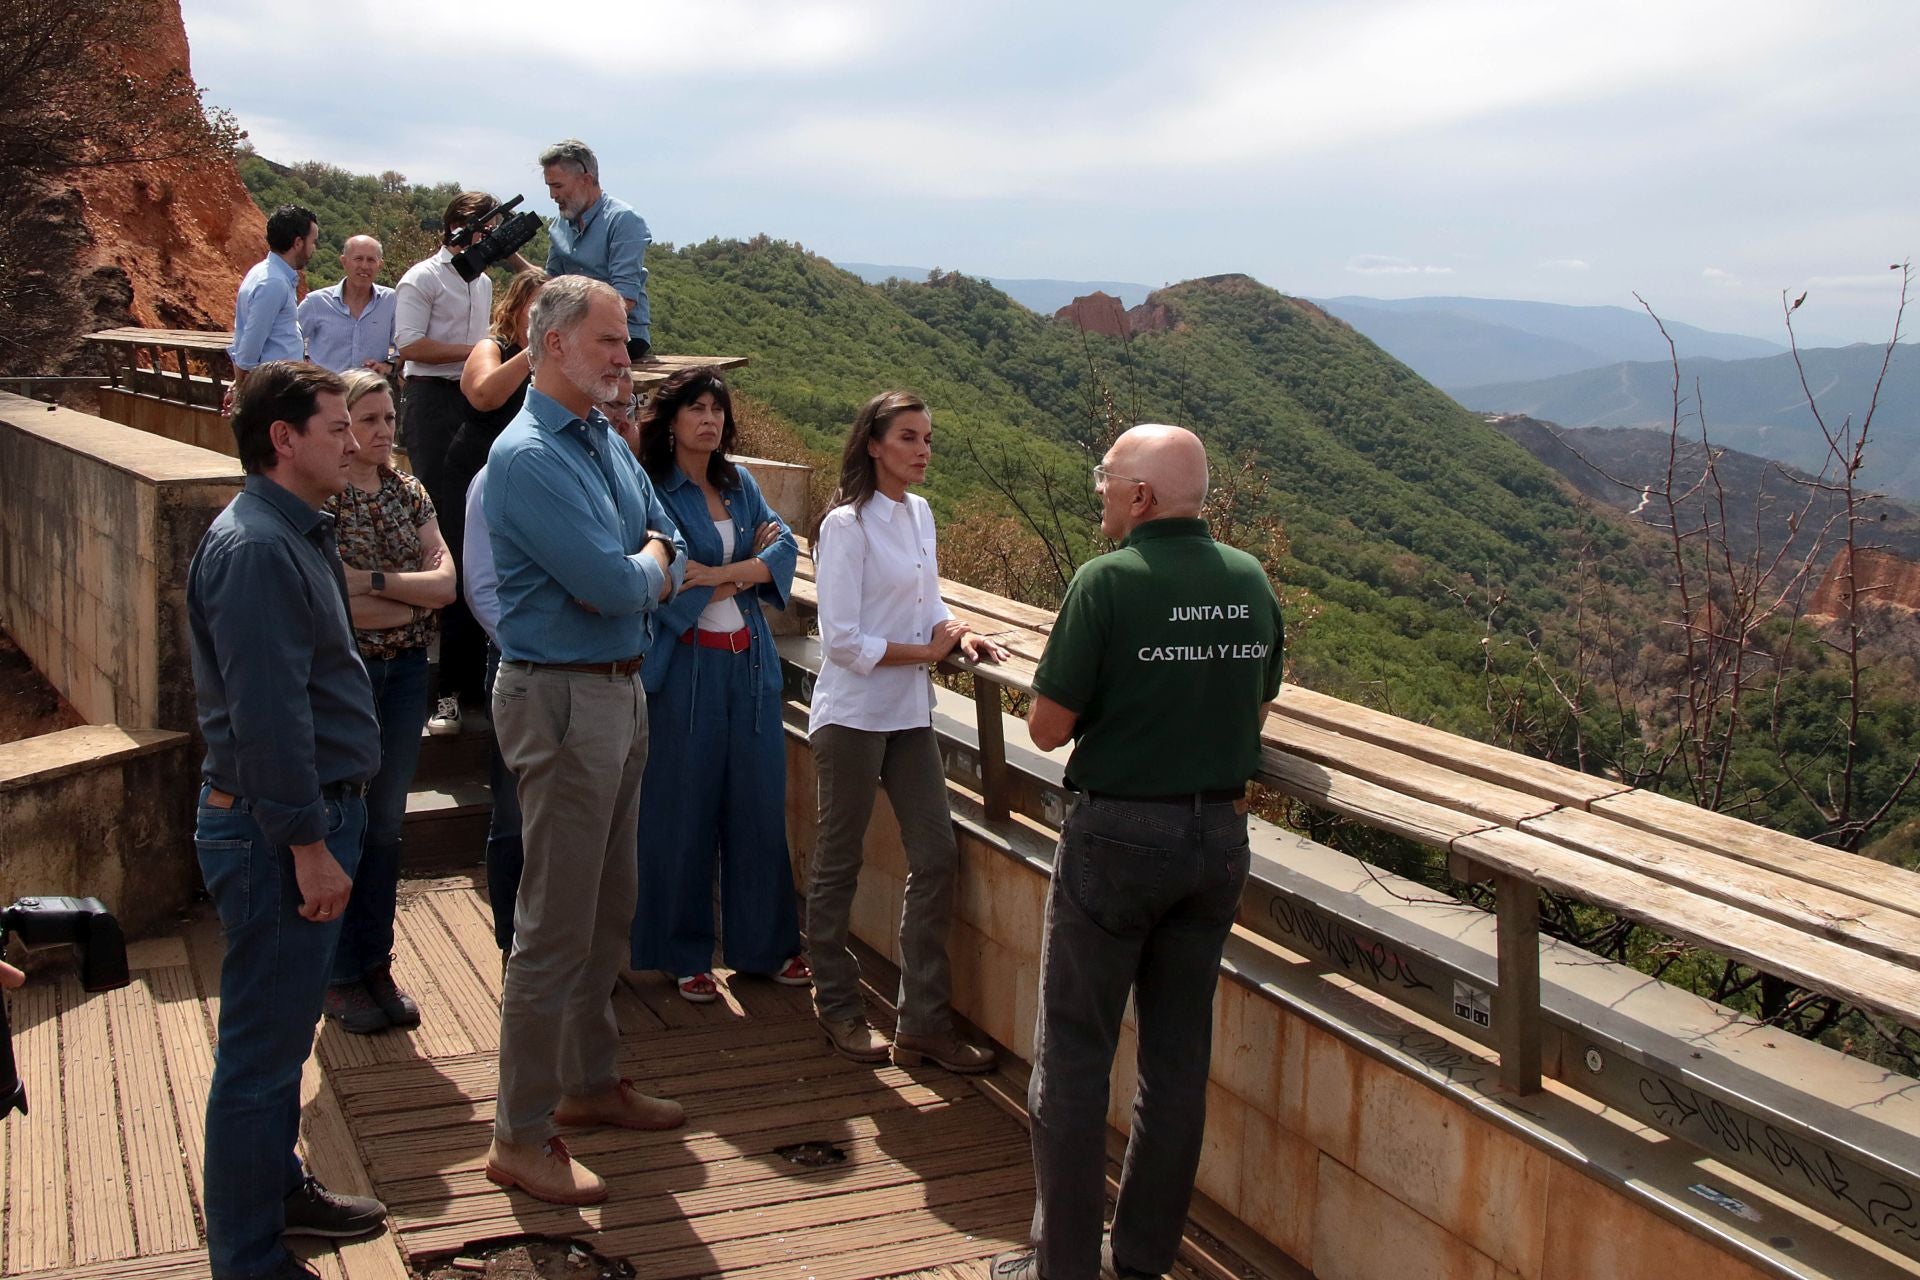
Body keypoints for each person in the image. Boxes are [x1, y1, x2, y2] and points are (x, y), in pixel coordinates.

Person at [992, 425, 1285, 1280]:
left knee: (1076, 1057)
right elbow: (1256, 702)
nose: (1101, 493)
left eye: (1107, 480)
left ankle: (1065, 1268)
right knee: (1177, 1065)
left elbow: (1048, 730)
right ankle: (1144, 1259)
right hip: (1217, 842)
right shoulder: (1249, 578)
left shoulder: (1106, 582)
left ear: (1142, 498)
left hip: (1117, 839)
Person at [483, 277, 687, 1206]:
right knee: (553, 926)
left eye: (627, 341)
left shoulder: (602, 437)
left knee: (609, 907)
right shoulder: (527, 456)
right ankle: (519, 1136)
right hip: (563, 702)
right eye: (609, 340)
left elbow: (669, 539)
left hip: (617, 689)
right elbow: (619, 579)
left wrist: (640, 564)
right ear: (554, 343)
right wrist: (641, 566)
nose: (624, 357)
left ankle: (589, 1084)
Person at [187, 361, 389, 1280]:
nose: (353, 442)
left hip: (300, 822)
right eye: (337, 425)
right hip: (282, 835)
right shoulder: (258, 548)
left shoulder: (292, 530)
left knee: (278, 1034)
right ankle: (248, 1257)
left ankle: (277, 1191)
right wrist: (310, 847)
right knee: (261, 1056)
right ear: (283, 438)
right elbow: (269, 721)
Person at [806, 390, 1005, 1071]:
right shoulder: (846, 527)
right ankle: (837, 1006)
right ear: (873, 444)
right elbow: (841, 640)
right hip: (855, 716)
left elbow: (928, 600)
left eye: (927, 439)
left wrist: (962, 632)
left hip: (909, 716)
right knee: (839, 862)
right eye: (909, 438)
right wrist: (926, 654)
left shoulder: (920, 514)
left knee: (937, 855)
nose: (923, 450)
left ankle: (922, 1022)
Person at [629, 368, 808, 1002]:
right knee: (682, 809)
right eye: (696, 409)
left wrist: (723, 575)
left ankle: (766, 947)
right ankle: (683, 954)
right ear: (671, 420)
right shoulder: (654, 490)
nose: (709, 420)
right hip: (687, 667)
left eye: (717, 410)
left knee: (759, 806)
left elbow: (783, 548)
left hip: (750, 662)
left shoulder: (739, 484)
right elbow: (669, 572)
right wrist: (738, 572)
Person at [321, 371, 457, 1034]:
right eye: (366, 419)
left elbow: (447, 585)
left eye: (387, 419)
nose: (380, 432)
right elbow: (332, 603)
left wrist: (376, 583)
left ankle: (375, 961)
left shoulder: (411, 491)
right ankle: (340, 971)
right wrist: (409, 592)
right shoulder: (328, 499)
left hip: (406, 673)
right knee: (345, 824)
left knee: (387, 825)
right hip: (350, 679)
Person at [394, 191, 506, 736]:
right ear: (459, 228)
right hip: (433, 402)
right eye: (483, 228)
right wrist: (481, 352)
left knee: (480, 525)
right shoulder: (423, 278)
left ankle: (473, 674)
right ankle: (448, 686)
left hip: (473, 401)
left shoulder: (482, 282)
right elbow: (409, 344)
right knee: (448, 527)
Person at [540, 140, 653, 359]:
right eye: (549, 187)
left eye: (558, 186)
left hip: (622, 334)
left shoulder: (623, 220)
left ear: (586, 180)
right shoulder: (559, 225)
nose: (553, 196)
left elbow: (625, 299)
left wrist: (575, 328)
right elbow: (548, 285)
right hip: (571, 332)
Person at [226, 206, 318, 401]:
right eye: (313, 241)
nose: (313, 249)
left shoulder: (264, 273)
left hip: (274, 388)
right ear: (298, 243)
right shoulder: (273, 283)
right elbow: (249, 348)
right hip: (273, 392)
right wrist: (242, 395)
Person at [297, 236, 397, 377]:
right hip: (325, 392)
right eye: (358, 259)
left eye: (371, 260)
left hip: (370, 394)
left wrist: (387, 366)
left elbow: (403, 348)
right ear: (344, 262)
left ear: (380, 265)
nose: (364, 266)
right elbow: (290, 340)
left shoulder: (390, 301)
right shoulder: (316, 302)